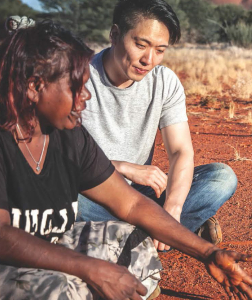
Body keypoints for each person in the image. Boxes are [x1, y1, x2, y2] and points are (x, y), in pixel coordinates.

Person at [0, 20, 252, 300]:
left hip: (12, 261)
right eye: (75, 86)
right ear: (35, 86)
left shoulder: (64, 133)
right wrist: (92, 269)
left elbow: (131, 202)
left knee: (134, 244)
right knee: (58, 287)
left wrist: (209, 252)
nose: (85, 97)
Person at [78, 0, 237, 252]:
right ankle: (162, 235)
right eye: (140, 45)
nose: (148, 60)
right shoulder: (78, 78)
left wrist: (172, 208)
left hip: (143, 197)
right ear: (115, 34)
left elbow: (180, 151)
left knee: (221, 177)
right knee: (66, 201)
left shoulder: (164, 82)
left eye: (160, 50)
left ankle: (132, 237)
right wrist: (121, 167)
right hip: (94, 193)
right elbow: (56, 160)